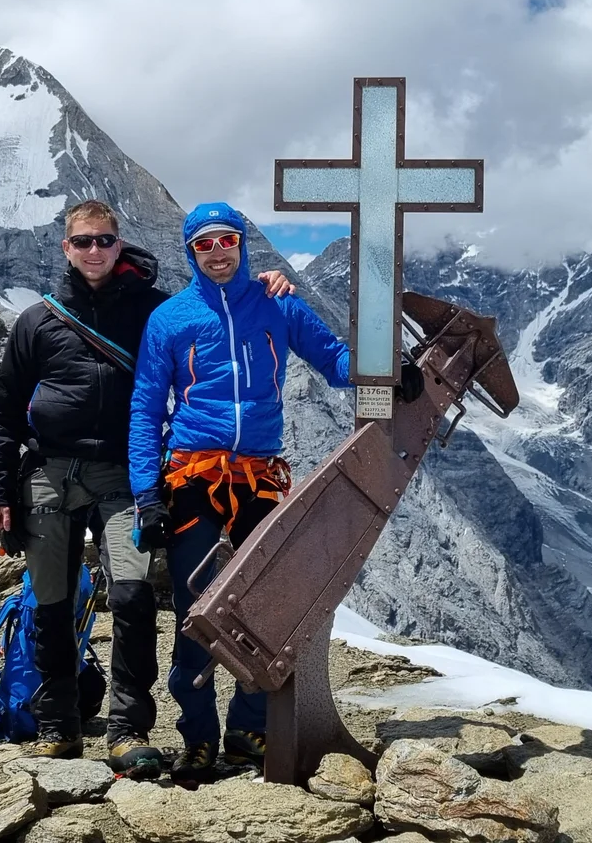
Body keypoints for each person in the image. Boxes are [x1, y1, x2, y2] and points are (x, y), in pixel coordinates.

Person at [0, 199, 293, 778]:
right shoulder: (37, 321)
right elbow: (4, 415)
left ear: (119, 245)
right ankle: (58, 723)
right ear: (65, 249)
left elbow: (208, 323)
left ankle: (128, 729)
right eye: (82, 242)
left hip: (125, 476)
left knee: (131, 596)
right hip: (48, 474)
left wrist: (266, 286)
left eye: (104, 240)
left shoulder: (154, 310)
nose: (94, 251)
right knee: (50, 599)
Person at [128, 201, 352, 780]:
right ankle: (197, 738)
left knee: (266, 607)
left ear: (242, 241)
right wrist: (147, 493)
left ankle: (248, 729)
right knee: (196, 609)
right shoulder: (171, 320)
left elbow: (334, 360)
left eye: (225, 239)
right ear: (190, 252)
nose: (217, 252)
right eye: (203, 244)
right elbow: (147, 408)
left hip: (257, 477)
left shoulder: (277, 303)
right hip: (193, 479)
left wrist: (388, 367)